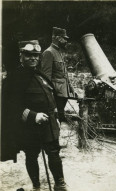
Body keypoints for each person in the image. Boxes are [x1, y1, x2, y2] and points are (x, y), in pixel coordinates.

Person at [3, 40, 68, 191]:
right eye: (28, 55)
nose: (33, 58)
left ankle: (60, 184)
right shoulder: (15, 78)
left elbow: (50, 96)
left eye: (35, 55)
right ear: (21, 56)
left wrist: (56, 115)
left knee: (54, 153)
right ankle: (36, 186)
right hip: (30, 127)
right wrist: (33, 115)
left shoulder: (40, 75)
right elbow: (10, 106)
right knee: (32, 155)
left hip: (49, 125)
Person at [41, 27, 75, 123]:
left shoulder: (58, 52)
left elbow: (64, 74)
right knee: (55, 119)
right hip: (56, 93)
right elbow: (46, 77)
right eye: (64, 39)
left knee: (60, 117)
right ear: (57, 38)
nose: (66, 41)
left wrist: (71, 88)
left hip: (62, 92)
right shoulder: (49, 52)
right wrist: (49, 94)